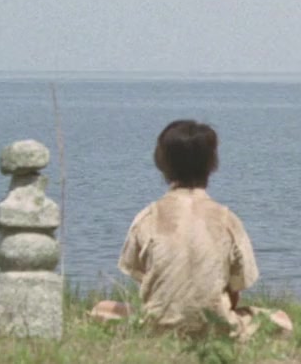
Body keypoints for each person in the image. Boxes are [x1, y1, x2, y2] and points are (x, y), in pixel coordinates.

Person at [90, 120, 290, 341]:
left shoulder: (147, 218)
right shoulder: (227, 220)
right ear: (212, 164)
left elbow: (145, 280)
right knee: (281, 319)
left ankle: (158, 332)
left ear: (161, 163)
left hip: (156, 328)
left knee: (101, 309)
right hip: (217, 329)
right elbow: (236, 290)